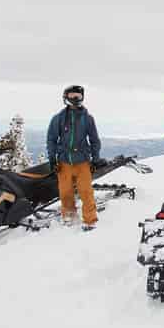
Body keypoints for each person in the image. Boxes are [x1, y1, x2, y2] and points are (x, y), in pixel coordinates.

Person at [46, 85, 103, 231]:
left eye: (77, 96)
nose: (75, 99)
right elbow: (51, 139)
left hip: (82, 161)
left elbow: (94, 140)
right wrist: (52, 159)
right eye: (72, 96)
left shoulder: (87, 119)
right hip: (64, 161)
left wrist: (95, 159)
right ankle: (69, 217)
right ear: (65, 97)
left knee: (86, 192)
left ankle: (90, 221)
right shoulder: (58, 119)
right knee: (65, 192)